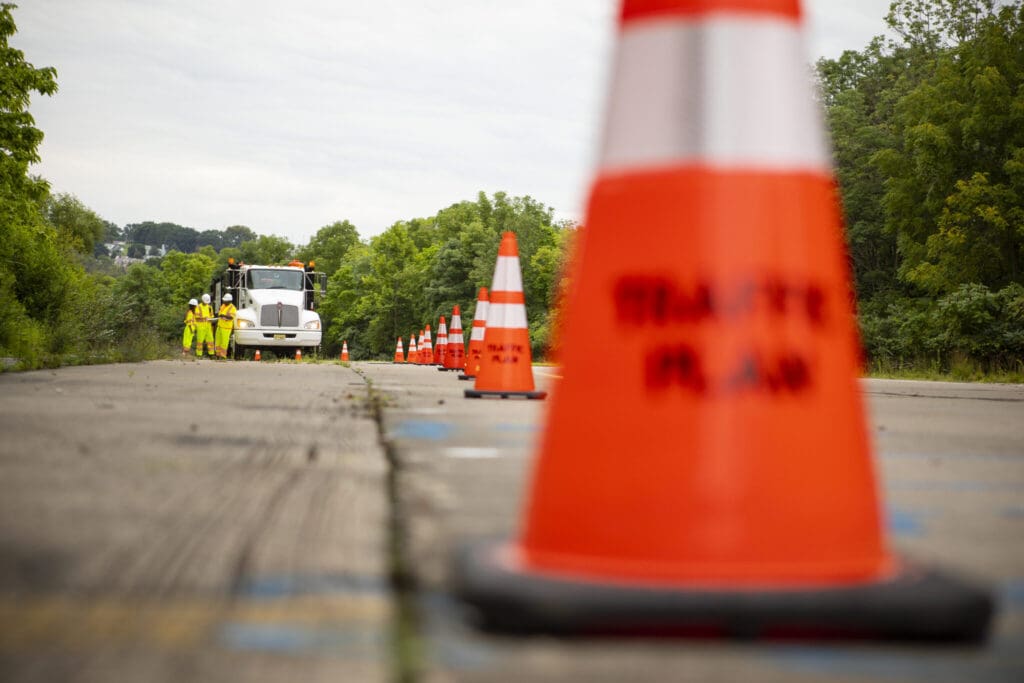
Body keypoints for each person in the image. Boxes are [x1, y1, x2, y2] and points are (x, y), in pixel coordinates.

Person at [215, 293, 237, 359]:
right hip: (220, 326)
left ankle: (223, 356)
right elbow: (220, 314)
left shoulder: (232, 308)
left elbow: (231, 317)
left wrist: (223, 316)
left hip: (226, 328)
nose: (224, 301)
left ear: (229, 301)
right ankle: (218, 355)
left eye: (225, 300)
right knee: (218, 341)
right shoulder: (223, 306)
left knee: (224, 342)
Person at [195, 293, 216, 358]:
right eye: (205, 302)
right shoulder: (198, 307)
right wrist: (205, 318)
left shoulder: (210, 307)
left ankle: (211, 354)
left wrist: (212, 319)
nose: (206, 303)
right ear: (202, 300)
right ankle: (199, 354)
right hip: (201, 326)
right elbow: (197, 317)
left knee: (210, 340)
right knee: (200, 341)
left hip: (208, 326)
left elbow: (212, 316)